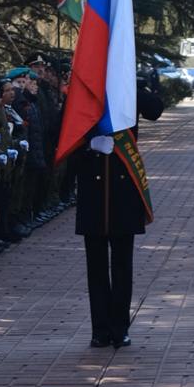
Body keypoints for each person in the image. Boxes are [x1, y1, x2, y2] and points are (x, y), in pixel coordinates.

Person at [70, 77, 163, 348]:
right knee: (96, 266)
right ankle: (99, 329)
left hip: (123, 188)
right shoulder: (85, 88)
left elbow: (155, 110)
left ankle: (120, 326)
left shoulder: (127, 87)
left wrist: (134, 85)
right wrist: (88, 145)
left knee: (122, 265)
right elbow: (62, 131)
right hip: (94, 188)